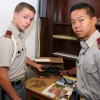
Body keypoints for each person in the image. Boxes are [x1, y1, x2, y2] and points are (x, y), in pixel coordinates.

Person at [0, 2, 44, 100]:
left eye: (31, 19)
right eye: (25, 17)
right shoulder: (8, 40)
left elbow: (21, 55)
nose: (28, 22)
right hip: (10, 88)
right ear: (15, 14)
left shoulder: (20, 34)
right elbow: (2, 76)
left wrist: (35, 65)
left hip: (22, 84)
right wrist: (16, 98)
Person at [60, 2, 100, 100]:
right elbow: (84, 66)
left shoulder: (97, 49)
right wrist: (68, 72)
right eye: (73, 22)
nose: (76, 26)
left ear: (93, 20)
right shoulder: (85, 43)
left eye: (81, 20)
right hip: (77, 93)